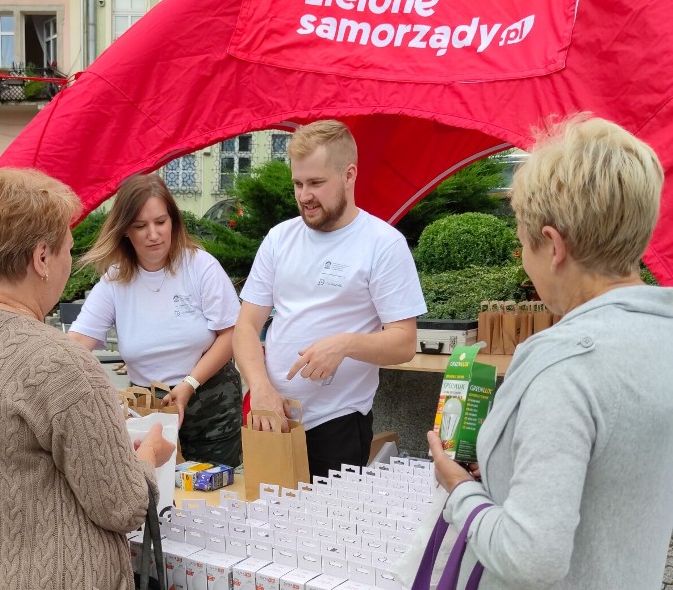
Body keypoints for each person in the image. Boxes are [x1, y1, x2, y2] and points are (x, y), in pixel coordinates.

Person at [0, 169, 174, 590]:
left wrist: (103, 449)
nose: (67, 263)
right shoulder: (63, 366)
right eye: (67, 250)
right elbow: (125, 505)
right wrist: (147, 456)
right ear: (42, 258)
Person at [427, 117, 673, 589]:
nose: (525, 260)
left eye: (524, 244)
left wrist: (460, 490)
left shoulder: (564, 365)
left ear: (554, 245)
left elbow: (530, 558)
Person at [233, 119, 427, 478]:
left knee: (325, 533)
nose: (304, 195)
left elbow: (404, 341)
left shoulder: (382, 243)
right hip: (272, 414)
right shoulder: (279, 238)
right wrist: (259, 387)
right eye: (298, 183)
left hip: (337, 423)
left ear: (349, 175)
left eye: (316, 183)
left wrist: (345, 345)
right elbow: (245, 325)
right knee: (264, 528)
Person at [68, 174, 243, 467]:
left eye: (160, 222)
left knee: (213, 492)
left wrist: (188, 385)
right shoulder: (113, 281)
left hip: (210, 400)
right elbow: (75, 345)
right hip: (149, 407)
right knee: (157, 496)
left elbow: (231, 334)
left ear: (173, 221)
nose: (153, 234)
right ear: (125, 231)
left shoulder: (200, 266)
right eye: (140, 226)